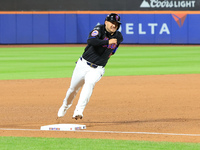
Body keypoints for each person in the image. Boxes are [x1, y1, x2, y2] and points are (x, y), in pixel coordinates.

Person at [57, 13, 123, 120]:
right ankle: (65, 106)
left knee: (90, 83)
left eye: (116, 24)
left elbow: (113, 51)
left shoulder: (118, 37)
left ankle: (79, 111)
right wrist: (107, 42)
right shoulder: (99, 29)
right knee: (73, 89)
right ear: (106, 22)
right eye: (112, 23)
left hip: (98, 69)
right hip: (83, 64)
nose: (114, 25)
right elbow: (91, 41)